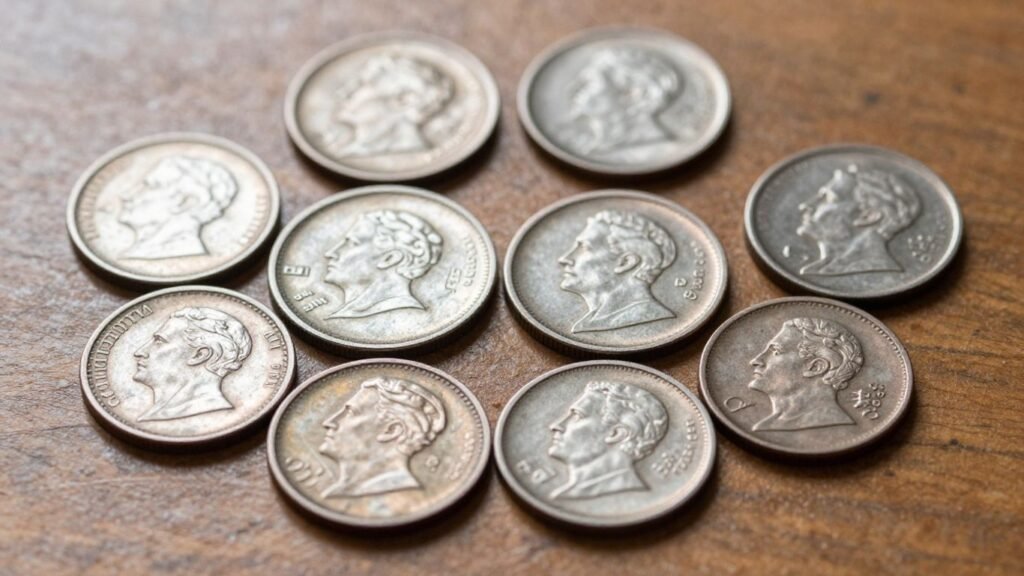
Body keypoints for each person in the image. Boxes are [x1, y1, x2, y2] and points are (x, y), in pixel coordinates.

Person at [318, 377, 447, 498]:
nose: (329, 422)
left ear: (392, 430)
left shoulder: (398, 494)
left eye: (351, 412)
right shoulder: (341, 491)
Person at [559, 210, 676, 333]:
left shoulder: (648, 317)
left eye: (584, 247)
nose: (564, 259)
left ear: (625, 263)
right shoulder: (591, 321)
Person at [548, 381, 668, 500]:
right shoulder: (572, 491)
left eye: (578, 415)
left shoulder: (623, 491)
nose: (557, 425)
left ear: (616, 434)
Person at [133, 307, 252, 422]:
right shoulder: (161, 412)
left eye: (159, 341)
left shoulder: (207, 411)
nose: (139, 352)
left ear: (199, 355)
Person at [798, 164, 921, 276]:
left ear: (867, 216)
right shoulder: (820, 268)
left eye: (830, 198)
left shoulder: (871, 269)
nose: (806, 205)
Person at [322, 55, 454, 158]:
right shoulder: (346, 151)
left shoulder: (411, 153)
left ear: (404, 100)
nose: (343, 93)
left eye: (362, 84)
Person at [558, 47, 680, 158]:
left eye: (590, 81)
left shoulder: (658, 152)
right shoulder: (591, 148)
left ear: (635, 96)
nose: (574, 88)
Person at [747, 317, 864, 431]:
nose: (756, 360)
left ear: (816, 367)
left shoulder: (833, 424)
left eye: (776, 351)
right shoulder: (768, 424)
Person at [322, 210, 443, 319]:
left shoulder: (407, 318)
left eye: (352, 243)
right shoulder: (350, 313)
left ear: (390, 258)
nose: (331, 253)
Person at [118, 155, 238, 260]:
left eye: (151, 186)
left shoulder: (182, 251)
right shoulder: (140, 253)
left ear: (185, 202)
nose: (126, 195)